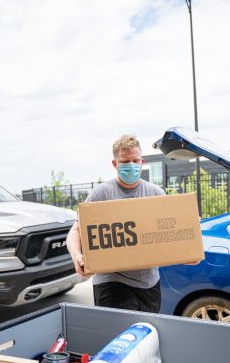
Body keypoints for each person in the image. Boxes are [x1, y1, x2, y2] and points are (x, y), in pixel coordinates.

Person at [67, 134, 198, 313]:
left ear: (142, 162)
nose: (131, 165)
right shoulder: (100, 195)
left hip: (148, 282)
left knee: (145, 332)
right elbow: (76, 230)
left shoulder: (155, 194)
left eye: (135, 160)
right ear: (115, 164)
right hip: (111, 282)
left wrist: (187, 252)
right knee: (121, 334)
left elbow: (173, 231)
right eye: (125, 161)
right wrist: (77, 257)